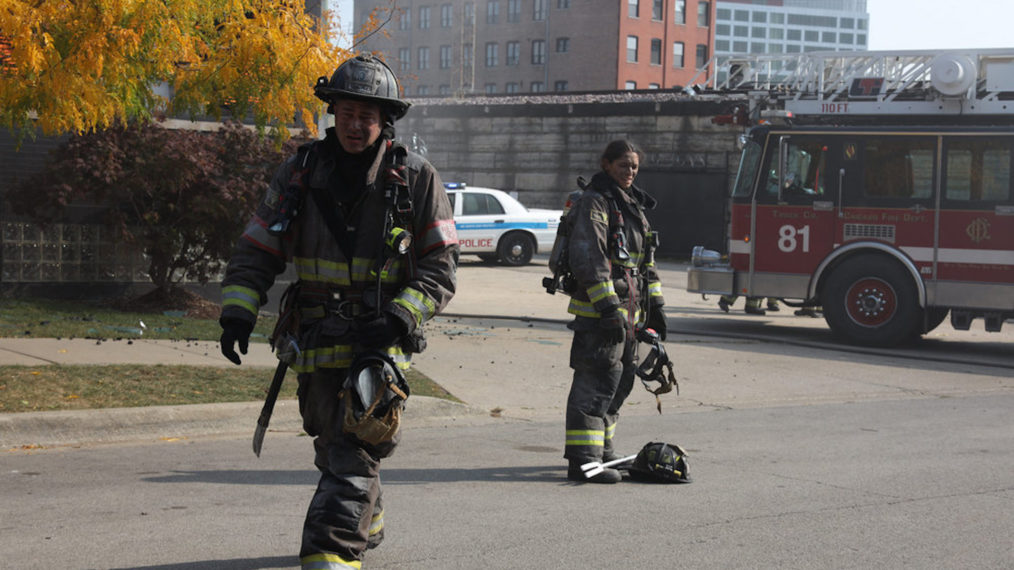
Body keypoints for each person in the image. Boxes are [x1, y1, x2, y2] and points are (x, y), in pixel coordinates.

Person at [218, 55, 458, 569]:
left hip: (380, 343)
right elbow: (260, 246)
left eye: (366, 116)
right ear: (333, 113)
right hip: (317, 336)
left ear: (384, 121)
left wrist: (401, 316)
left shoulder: (414, 179)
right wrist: (238, 309)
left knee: (353, 452)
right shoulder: (301, 173)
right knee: (331, 445)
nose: (355, 125)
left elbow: (441, 266)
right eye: (347, 112)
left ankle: (331, 554)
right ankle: (367, 517)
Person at [562, 140, 666, 484]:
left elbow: (643, 262)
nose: (630, 172)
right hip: (601, 314)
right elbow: (589, 258)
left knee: (621, 381)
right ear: (606, 164)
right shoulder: (596, 202)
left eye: (634, 166)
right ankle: (583, 461)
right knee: (597, 381)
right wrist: (607, 308)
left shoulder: (633, 205)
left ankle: (603, 451)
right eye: (623, 165)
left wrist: (657, 307)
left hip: (630, 314)